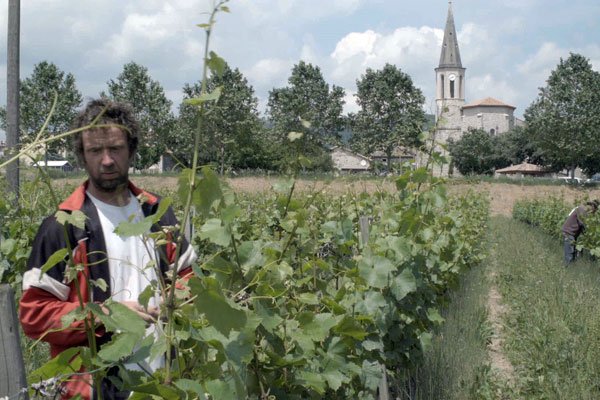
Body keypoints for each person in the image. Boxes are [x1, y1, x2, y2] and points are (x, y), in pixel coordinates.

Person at [19, 98, 197, 399]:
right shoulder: (63, 226)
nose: (107, 160)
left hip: (160, 382)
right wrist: (105, 315)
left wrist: (178, 298)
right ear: (82, 157)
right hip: (93, 387)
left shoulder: (158, 214)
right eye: (95, 151)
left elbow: (189, 276)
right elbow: (35, 316)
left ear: (131, 150)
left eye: (115, 148)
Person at [561, 199, 599, 264]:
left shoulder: (582, 209)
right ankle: (567, 269)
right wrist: (590, 235)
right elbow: (583, 224)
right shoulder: (582, 210)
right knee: (570, 254)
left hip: (572, 233)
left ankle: (570, 269)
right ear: (592, 206)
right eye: (594, 211)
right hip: (569, 232)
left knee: (573, 254)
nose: (593, 213)